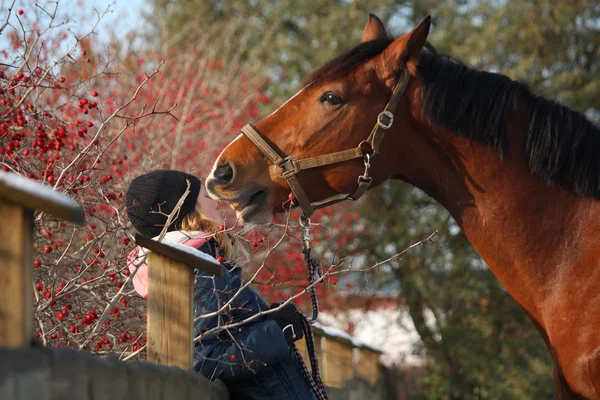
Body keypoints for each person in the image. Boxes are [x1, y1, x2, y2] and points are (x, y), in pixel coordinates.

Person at [125, 169, 321, 400]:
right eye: (206, 197)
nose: (217, 203)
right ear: (188, 211)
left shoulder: (197, 265)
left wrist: (268, 320)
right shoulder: (197, 272)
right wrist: (278, 331)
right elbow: (206, 361)